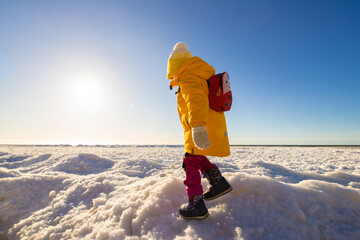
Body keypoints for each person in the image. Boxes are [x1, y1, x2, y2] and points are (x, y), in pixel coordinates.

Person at [166, 42, 232, 220]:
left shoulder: (188, 76)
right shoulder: (197, 74)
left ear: (175, 64)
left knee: (190, 162)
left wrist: (197, 125)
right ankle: (218, 183)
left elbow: (196, 100)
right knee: (196, 155)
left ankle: (196, 204)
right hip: (201, 126)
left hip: (198, 126)